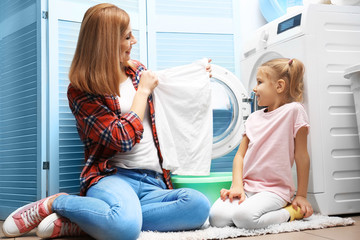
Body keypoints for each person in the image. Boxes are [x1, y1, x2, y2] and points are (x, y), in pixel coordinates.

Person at [2, 3, 211, 240]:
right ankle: (57, 202)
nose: (134, 41)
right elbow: (122, 139)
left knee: (198, 206)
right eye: (127, 36)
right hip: (113, 177)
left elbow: (168, 90)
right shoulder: (81, 90)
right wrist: (142, 93)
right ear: (108, 42)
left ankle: (91, 222)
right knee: (125, 229)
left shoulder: (137, 71)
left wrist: (196, 76)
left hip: (153, 180)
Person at [209, 58, 313, 229]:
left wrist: (301, 195)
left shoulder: (294, 111)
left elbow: (301, 155)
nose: (254, 88)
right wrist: (236, 186)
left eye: (259, 82)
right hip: (248, 187)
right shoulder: (253, 118)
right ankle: (248, 208)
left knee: (244, 218)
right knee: (216, 218)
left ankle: (291, 213)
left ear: (279, 86)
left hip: (275, 190)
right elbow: (240, 156)